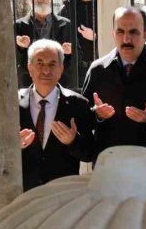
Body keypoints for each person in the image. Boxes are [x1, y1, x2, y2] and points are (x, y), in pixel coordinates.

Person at [83, 6, 146, 171]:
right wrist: (97, 114)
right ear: (113, 33)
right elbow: (82, 119)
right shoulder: (98, 70)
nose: (126, 39)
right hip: (107, 168)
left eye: (133, 32)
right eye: (120, 31)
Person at [19, 39, 95, 191]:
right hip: (24, 194)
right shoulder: (14, 105)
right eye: (40, 63)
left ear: (61, 69)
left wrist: (72, 141)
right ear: (30, 68)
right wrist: (15, 146)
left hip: (63, 194)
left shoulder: (78, 104)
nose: (46, 70)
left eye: (52, 64)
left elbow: (90, 153)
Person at [15, 0, 73, 88]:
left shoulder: (66, 25)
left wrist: (69, 53)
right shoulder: (18, 26)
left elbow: (78, 58)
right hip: (28, 85)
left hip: (59, 85)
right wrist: (20, 47)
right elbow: (9, 59)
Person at [59, 0, 98, 88]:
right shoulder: (68, 8)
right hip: (74, 71)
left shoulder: (103, 5)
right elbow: (58, 35)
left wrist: (95, 37)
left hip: (99, 67)